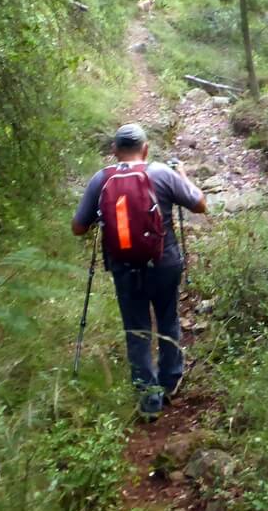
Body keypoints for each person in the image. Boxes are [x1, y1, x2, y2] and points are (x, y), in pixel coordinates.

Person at [72, 123, 206, 418]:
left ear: (114, 151)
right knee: (168, 317)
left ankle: (148, 402)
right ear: (145, 149)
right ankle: (170, 382)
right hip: (164, 262)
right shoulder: (161, 173)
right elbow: (200, 204)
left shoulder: (101, 179)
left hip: (124, 267)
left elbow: (78, 227)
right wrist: (182, 174)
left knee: (136, 330)